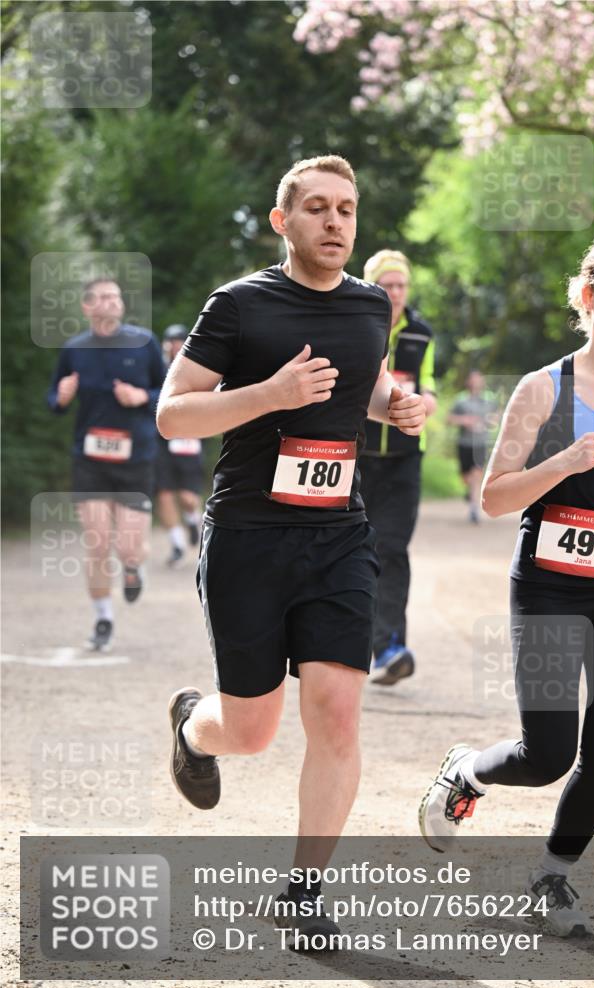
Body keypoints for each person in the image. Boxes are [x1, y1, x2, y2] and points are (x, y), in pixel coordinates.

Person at [157, 155, 426, 944]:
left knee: (338, 712)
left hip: (338, 533)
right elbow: (175, 414)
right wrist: (270, 395)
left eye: (345, 209)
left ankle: (305, 891)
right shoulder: (239, 306)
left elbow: (365, 381)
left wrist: (394, 404)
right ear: (283, 221)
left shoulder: (371, 304)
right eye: (316, 208)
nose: (334, 222)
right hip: (247, 535)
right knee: (251, 732)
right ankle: (188, 726)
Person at [419, 235, 594, 937]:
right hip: (547, 588)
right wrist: (559, 461)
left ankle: (552, 875)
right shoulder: (541, 389)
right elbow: (495, 497)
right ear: (586, 297)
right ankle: (467, 769)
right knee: (546, 753)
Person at [47, 278, 166, 651]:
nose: (109, 302)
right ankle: (103, 618)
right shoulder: (74, 348)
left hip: (136, 457)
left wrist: (140, 397)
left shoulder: (144, 343)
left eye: (114, 296)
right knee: (97, 543)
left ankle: (132, 569)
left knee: (129, 549)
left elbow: (168, 394)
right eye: (100, 297)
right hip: (90, 458)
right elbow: (54, 398)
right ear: (86, 307)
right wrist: (61, 397)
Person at [358, 249, 437, 685]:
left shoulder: (422, 334)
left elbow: (431, 389)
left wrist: (422, 403)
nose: (395, 293)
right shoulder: (355, 324)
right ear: (373, 287)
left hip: (405, 459)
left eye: (401, 285)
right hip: (357, 456)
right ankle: (343, 644)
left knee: (392, 548)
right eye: (387, 285)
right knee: (352, 550)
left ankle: (389, 648)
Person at [154, 324, 204, 566]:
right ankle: (177, 544)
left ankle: (193, 518)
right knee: (163, 493)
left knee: (187, 497)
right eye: (170, 341)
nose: (173, 345)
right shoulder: (158, 369)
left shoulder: (199, 366)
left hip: (187, 439)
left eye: (178, 341)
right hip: (162, 441)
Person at [448, 370, 498, 524]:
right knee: (465, 476)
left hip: (481, 443)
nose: (476, 382)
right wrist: (464, 420)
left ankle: (474, 509)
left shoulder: (489, 399)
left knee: (477, 473)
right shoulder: (461, 399)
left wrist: (489, 422)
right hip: (464, 443)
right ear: (468, 382)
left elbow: (496, 417)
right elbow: (449, 419)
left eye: (479, 379)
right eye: (473, 379)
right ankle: (470, 492)